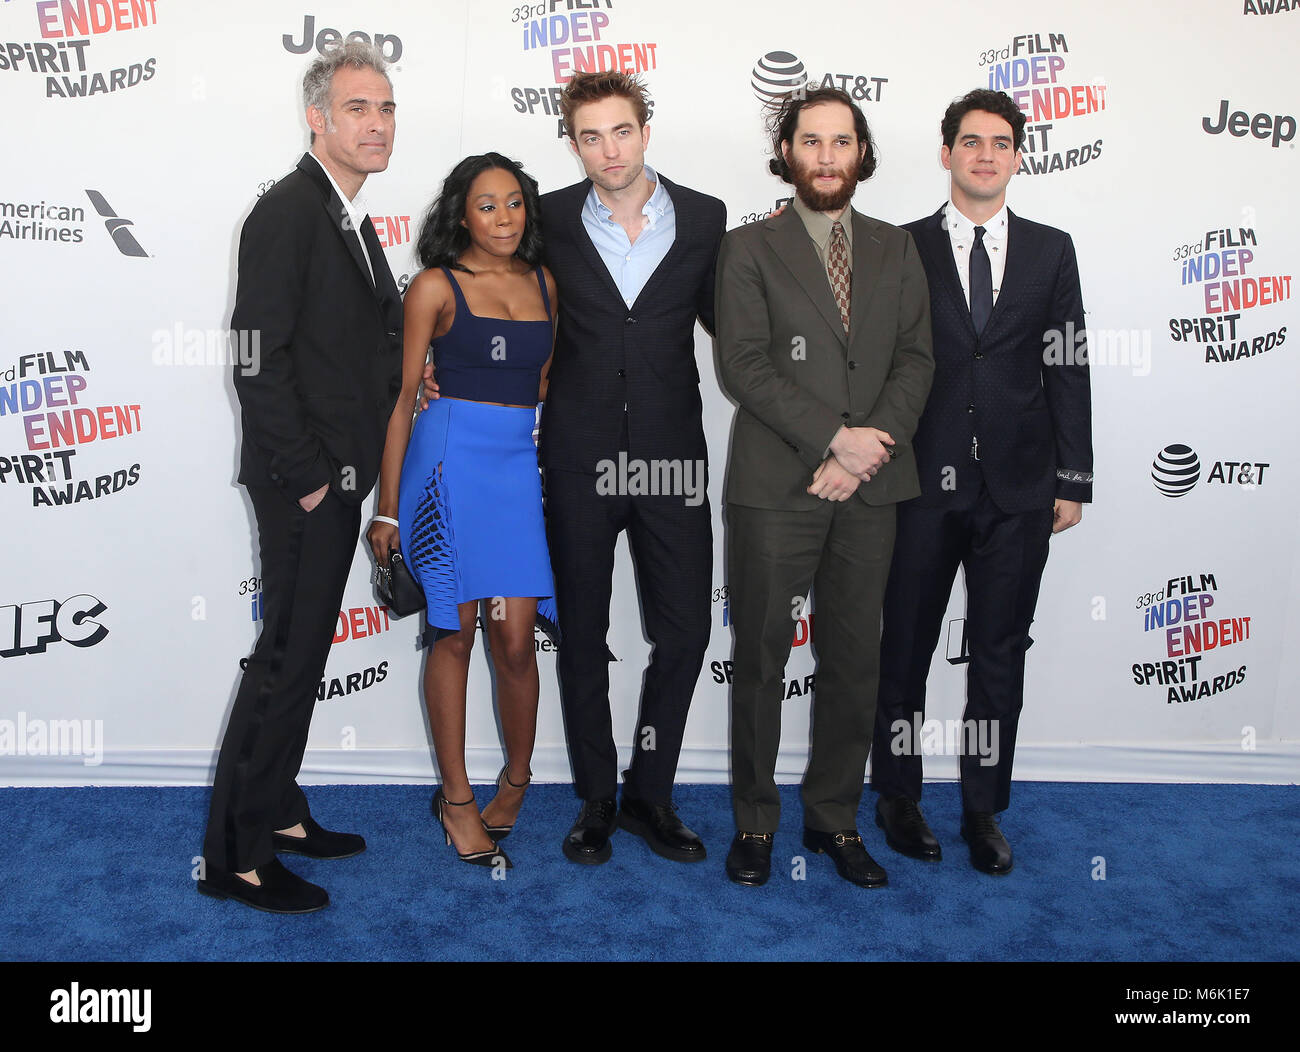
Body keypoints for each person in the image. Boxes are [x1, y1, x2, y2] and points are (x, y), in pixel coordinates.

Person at [199, 41, 402, 914]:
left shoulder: (348, 217)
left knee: (302, 654)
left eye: (386, 108)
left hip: (336, 476)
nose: (376, 123)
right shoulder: (289, 211)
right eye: (358, 108)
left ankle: (278, 812)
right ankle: (237, 859)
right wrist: (313, 479)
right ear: (317, 118)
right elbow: (258, 359)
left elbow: (364, 341)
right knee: (283, 663)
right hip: (304, 484)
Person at [716, 86, 934, 889]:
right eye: (811, 141)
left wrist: (863, 451)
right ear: (787, 153)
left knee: (853, 659)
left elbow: (917, 360)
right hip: (778, 483)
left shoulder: (896, 248)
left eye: (842, 142)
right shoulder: (749, 249)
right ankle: (755, 821)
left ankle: (835, 818)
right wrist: (832, 437)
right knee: (764, 656)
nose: (827, 157)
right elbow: (742, 364)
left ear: (862, 153)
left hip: (872, 484)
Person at [872, 88, 1092, 875]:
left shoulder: (1050, 249)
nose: (986, 155)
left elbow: (1065, 360)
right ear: (946, 153)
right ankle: (898, 796)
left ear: (1019, 156)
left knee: (999, 654)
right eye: (971, 142)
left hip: (1020, 489)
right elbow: (879, 364)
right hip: (920, 485)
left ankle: (982, 810)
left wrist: (1074, 475)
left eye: (1001, 142)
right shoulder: (900, 247)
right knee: (904, 647)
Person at [540, 71, 726, 866]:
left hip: (672, 455)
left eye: (621, 131)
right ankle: (595, 798)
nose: (608, 150)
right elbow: (490, 301)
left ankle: (652, 790)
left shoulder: (709, 218)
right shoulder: (544, 217)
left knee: (683, 631)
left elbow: (739, 328)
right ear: (573, 142)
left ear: (645, 130)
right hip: (577, 457)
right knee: (581, 633)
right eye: (590, 136)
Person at [367, 154, 557, 869]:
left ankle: (516, 777)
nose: (504, 217)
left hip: (512, 471)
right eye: (486, 206)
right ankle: (455, 797)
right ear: (461, 215)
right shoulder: (433, 287)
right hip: (446, 465)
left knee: (515, 641)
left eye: (514, 203)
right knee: (453, 632)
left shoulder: (545, 281)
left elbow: (542, 378)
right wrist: (388, 511)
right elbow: (402, 398)